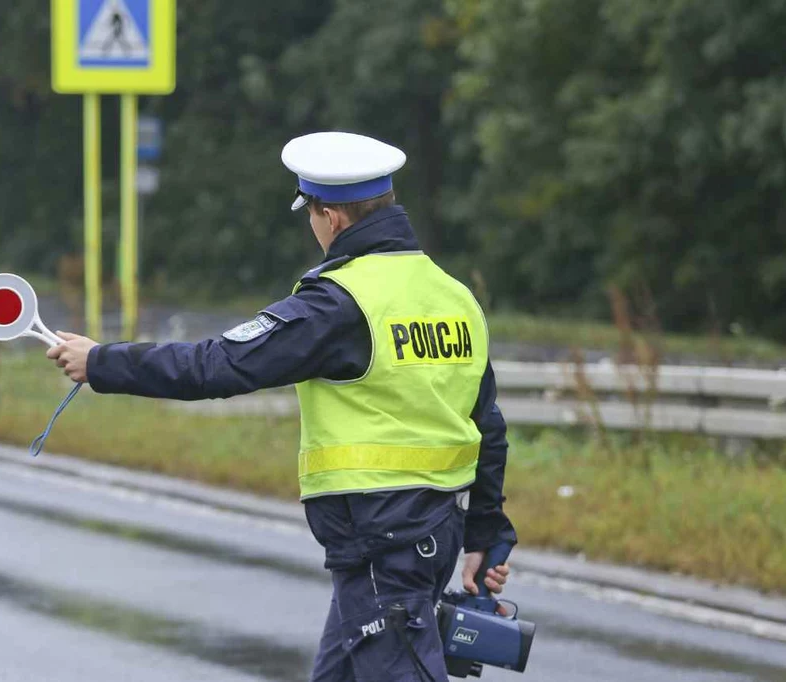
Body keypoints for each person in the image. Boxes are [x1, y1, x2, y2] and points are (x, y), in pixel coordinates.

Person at [47, 131, 517, 682]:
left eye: (311, 215)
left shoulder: (341, 302)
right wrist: (485, 533)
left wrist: (102, 361)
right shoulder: (455, 297)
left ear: (331, 218)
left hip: (379, 537)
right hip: (432, 530)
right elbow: (488, 425)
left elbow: (216, 364)